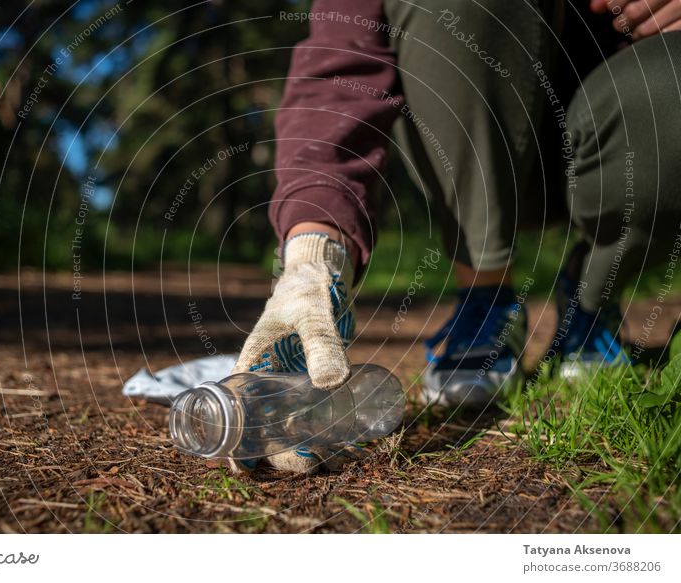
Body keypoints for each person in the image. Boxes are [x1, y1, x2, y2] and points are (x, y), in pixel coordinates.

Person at [229, 0, 681, 474]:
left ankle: (592, 296)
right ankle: (486, 296)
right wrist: (313, 255)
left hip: (620, 123)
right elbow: (338, 66)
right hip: (484, 133)